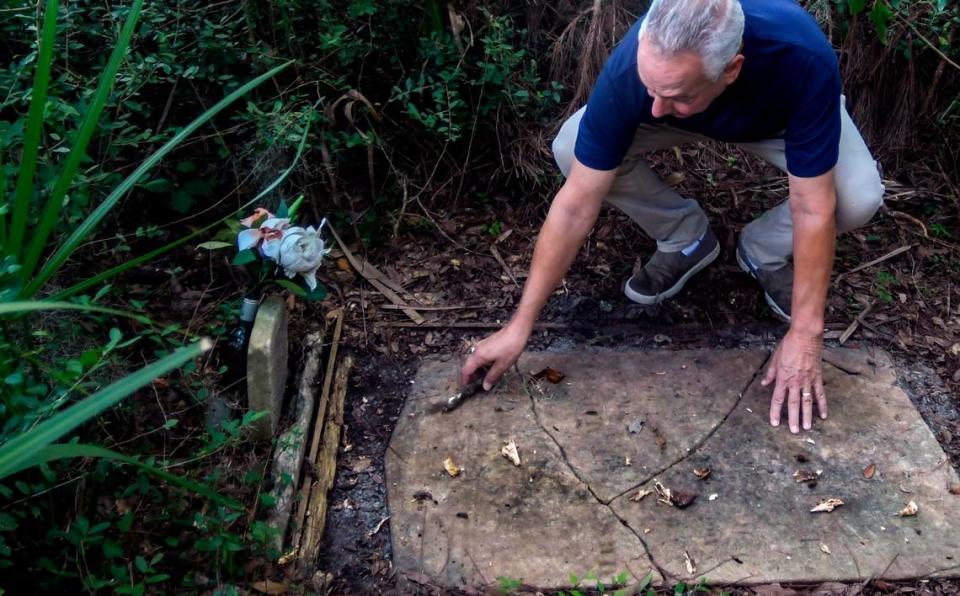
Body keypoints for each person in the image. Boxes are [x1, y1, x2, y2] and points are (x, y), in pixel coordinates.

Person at [460, 0, 885, 434]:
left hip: (779, 121)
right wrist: (520, 325)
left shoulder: (800, 56)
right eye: (651, 89)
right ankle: (685, 237)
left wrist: (806, 335)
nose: (656, 107)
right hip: (692, 105)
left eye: (675, 94)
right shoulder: (641, 66)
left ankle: (763, 249)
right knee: (572, 149)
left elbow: (812, 207)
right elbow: (574, 206)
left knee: (857, 197)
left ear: (733, 69)